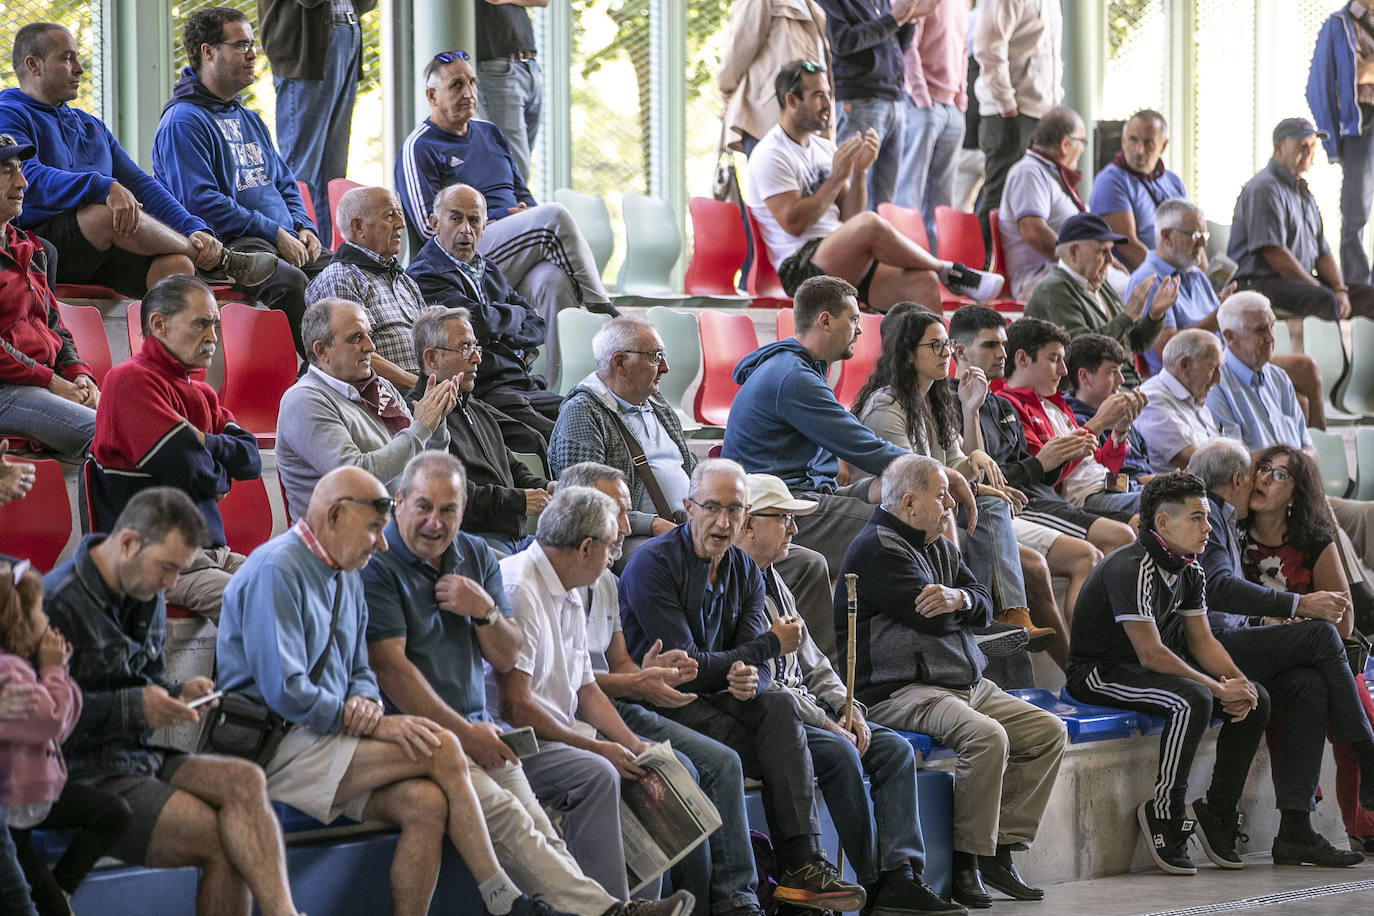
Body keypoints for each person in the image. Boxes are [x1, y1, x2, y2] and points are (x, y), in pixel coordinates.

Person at [219, 466, 592, 916]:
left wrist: (366, 703)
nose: (381, 543)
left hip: (326, 738)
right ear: (335, 515)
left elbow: (361, 669)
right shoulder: (278, 569)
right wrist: (366, 718)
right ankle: (503, 898)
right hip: (273, 745)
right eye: (375, 528)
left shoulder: (345, 569)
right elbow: (285, 691)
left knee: (426, 803)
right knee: (442, 748)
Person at [361, 451, 687, 915]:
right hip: (433, 734)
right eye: (424, 507)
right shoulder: (381, 562)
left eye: (449, 510)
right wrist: (470, 732)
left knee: (553, 822)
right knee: (557, 796)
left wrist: (483, 610)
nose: (435, 522)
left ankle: (622, 906)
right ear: (398, 502)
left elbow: (508, 652)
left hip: (485, 733)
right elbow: (394, 671)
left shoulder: (473, 554)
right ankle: (614, 911)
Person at [619, 459, 869, 912]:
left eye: (734, 510)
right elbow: (686, 666)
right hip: (663, 703)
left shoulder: (744, 570)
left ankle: (803, 866)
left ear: (746, 514)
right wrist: (766, 647)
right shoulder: (651, 564)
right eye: (711, 508)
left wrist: (754, 674)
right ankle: (738, 900)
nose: (723, 521)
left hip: (722, 701)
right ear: (687, 507)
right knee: (750, 754)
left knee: (778, 707)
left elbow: (758, 663)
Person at [43, 487, 305, 916]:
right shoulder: (57, 603)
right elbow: (40, 719)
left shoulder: (146, 589)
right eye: (166, 569)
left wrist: (176, 694)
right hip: (82, 775)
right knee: (225, 843)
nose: (170, 586)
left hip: (137, 755)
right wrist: (138, 707)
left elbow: (144, 682)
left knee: (247, 781)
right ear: (127, 542)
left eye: (178, 572)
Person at [841, 454, 1066, 908]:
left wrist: (958, 597)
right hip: (902, 690)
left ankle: (999, 852)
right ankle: (967, 864)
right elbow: (933, 624)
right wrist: (962, 609)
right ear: (908, 502)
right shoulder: (878, 549)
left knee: (1048, 731)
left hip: (965, 682)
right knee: (987, 738)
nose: (950, 504)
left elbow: (981, 604)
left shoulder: (938, 543)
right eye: (941, 495)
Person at [737, 473, 966, 915]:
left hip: (813, 710)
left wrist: (850, 709)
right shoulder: (739, 585)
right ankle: (875, 884)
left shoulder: (776, 579)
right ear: (749, 524)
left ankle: (902, 874)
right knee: (842, 754)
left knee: (894, 749)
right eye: (784, 518)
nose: (795, 529)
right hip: (780, 720)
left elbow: (815, 662)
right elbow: (771, 685)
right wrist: (828, 722)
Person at [560, 460, 767, 916]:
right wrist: (636, 682)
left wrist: (647, 673)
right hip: (573, 714)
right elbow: (566, 683)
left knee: (724, 762)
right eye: (613, 512)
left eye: (625, 512)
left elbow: (618, 666)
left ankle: (736, 900)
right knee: (682, 772)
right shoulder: (541, 580)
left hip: (615, 705)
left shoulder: (608, 581)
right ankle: (695, 905)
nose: (623, 526)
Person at [487, 484, 694, 911]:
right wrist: (598, 745)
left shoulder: (571, 586)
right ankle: (615, 908)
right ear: (585, 547)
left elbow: (585, 689)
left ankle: (640, 905)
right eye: (612, 548)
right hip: (514, 740)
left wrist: (634, 746)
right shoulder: (520, 587)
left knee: (642, 766)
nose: (613, 558)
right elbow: (516, 705)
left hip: (556, 734)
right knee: (598, 771)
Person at [1065, 471, 1271, 876]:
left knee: (1257, 698)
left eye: (1207, 517)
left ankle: (1217, 810)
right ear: (1163, 523)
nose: (1208, 528)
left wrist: (1236, 682)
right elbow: (1152, 654)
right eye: (1196, 518)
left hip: (1141, 670)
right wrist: (1215, 687)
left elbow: (1202, 642)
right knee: (1191, 699)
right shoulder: (1132, 566)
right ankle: (1165, 813)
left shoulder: (1190, 569)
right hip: (1098, 672)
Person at [1188, 439, 1374, 866]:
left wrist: (1271, 622)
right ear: (1239, 480)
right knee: (1320, 638)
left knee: (1308, 686)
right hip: (1205, 650)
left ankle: (1295, 830)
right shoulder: (1211, 519)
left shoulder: (1234, 522)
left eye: (1277, 473)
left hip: (1234, 641)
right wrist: (1298, 605)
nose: (1262, 479)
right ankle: (1367, 751)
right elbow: (1216, 589)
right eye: (1260, 470)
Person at [0, 23, 275, 296]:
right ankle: (218, 262)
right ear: (33, 65)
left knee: (177, 265)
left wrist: (194, 228)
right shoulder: (8, 114)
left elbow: (141, 185)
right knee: (105, 212)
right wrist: (103, 187)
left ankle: (167, 330)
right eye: (67, 58)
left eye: (77, 58)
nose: (79, 68)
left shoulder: (89, 124)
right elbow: (28, 178)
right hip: (44, 245)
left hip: (106, 248)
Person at [850, 302, 1053, 647]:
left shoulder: (935, 402)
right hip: (890, 511)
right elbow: (911, 479)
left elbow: (961, 469)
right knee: (960, 507)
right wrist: (977, 489)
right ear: (909, 355)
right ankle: (972, 614)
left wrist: (971, 411)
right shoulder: (886, 404)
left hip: (929, 502)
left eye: (946, 344)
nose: (946, 353)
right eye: (935, 346)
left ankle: (1012, 613)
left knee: (990, 507)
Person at [743, 60, 1002, 309]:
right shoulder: (771, 153)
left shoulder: (822, 147)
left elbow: (850, 218)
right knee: (871, 223)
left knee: (922, 284)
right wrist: (835, 178)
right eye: (817, 96)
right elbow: (794, 224)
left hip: (840, 254)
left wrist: (859, 172)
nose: (827, 104)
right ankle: (950, 271)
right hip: (800, 267)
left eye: (828, 95)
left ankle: (929, 348)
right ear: (791, 100)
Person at [154, 5, 333, 358]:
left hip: (281, 237)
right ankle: (325, 377)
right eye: (241, 45)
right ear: (208, 51)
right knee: (290, 283)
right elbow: (201, 202)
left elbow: (285, 183)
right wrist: (275, 233)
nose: (253, 54)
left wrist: (303, 226)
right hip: (233, 246)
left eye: (252, 45)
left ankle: (363, 376)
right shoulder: (183, 122)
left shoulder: (249, 117)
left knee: (346, 275)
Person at [88, 275, 259, 618]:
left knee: (299, 591)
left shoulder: (203, 393)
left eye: (215, 325)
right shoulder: (129, 381)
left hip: (214, 554)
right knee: (257, 605)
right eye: (201, 324)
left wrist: (203, 441)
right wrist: (219, 476)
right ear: (159, 324)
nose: (212, 337)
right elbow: (186, 470)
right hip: (158, 562)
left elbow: (251, 459)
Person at [395, 51, 615, 317]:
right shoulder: (420, 145)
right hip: (463, 253)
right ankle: (602, 309)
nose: (468, 92)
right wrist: (498, 217)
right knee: (554, 215)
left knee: (553, 282)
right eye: (456, 85)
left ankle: (554, 361)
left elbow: (522, 191)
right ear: (432, 96)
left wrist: (527, 214)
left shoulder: (490, 132)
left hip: (510, 245)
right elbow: (428, 227)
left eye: (472, 82)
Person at [1202, 291, 1374, 614]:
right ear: (1228, 336)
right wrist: (1288, 463)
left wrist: (1293, 463)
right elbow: (1237, 463)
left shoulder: (1279, 379)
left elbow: (1309, 446)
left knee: (1369, 515)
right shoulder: (1218, 386)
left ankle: (1359, 597)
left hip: (1296, 490)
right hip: (1264, 499)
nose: (1271, 338)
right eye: (1259, 331)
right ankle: (1357, 599)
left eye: (1272, 327)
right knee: (1321, 511)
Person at [723, 276, 906, 570]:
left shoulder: (800, 369)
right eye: (853, 319)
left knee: (900, 491)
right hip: (781, 505)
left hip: (813, 494)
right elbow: (866, 448)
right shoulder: (793, 377)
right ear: (825, 320)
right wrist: (935, 471)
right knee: (901, 526)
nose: (859, 330)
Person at [0, 557, 130, 915]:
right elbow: (53, 720)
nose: (48, 620)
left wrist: (58, 671)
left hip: (41, 795)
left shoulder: (23, 666)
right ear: (20, 621)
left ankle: (59, 887)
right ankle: (53, 899)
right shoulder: (8, 671)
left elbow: (64, 722)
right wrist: (55, 670)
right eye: (41, 611)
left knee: (113, 812)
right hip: (14, 808)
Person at [406, 184, 564, 449]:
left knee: (588, 415)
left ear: (484, 225)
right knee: (556, 437)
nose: (465, 229)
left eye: (474, 220)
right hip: (485, 389)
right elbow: (480, 324)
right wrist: (510, 317)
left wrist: (499, 324)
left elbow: (536, 324)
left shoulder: (486, 267)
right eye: (455, 218)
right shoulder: (424, 274)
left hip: (522, 382)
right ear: (435, 223)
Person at [276, 298, 456, 522]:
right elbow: (356, 476)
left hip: (407, 530)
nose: (370, 346)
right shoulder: (303, 400)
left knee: (493, 555)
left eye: (369, 334)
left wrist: (436, 426)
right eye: (356, 338)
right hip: (346, 546)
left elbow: (428, 470)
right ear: (322, 351)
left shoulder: (380, 387)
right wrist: (419, 430)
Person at [409, 306, 551, 554]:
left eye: (476, 347)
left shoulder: (476, 407)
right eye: (465, 348)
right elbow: (451, 492)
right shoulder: (417, 415)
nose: (477, 358)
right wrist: (520, 500)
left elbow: (511, 468)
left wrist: (545, 488)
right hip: (472, 541)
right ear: (432, 358)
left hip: (515, 538)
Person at [0, 132, 98, 458]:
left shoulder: (31, 248)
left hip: (39, 384)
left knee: (150, 424)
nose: (22, 182)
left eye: (20, 169)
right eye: (6, 171)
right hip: (6, 391)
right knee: (109, 436)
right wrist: (54, 383)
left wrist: (80, 376)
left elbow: (54, 327)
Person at [992, 317, 1145, 521]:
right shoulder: (1008, 407)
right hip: (1079, 502)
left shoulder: (1057, 404)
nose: (1064, 370)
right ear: (1022, 360)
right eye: (1054, 359)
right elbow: (1046, 477)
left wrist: (1119, 432)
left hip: (1107, 488)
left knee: (1184, 494)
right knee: (1171, 504)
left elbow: (1097, 465)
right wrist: (1097, 424)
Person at [1228, 117, 1374, 320]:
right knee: (1324, 298)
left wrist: (1340, 290)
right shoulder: (1264, 188)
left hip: (1296, 282)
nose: (1309, 152)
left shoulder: (1303, 192)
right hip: (1259, 282)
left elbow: (1323, 253)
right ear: (1278, 147)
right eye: (1302, 145)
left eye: (1313, 145)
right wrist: (1317, 287)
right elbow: (1274, 253)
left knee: (1368, 297)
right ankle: (1333, 353)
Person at [257, 0, 373, 248]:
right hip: (305, 47)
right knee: (302, 171)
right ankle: (302, 254)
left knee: (333, 170)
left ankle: (330, 257)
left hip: (347, 32)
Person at [1023, 212, 1178, 387]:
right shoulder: (1054, 288)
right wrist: (1128, 316)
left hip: (1122, 386)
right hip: (1084, 396)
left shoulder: (1099, 283)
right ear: (1074, 252)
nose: (1111, 260)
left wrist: (1155, 314)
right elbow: (1081, 354)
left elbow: (1134, 343)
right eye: (1102, 251)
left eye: (1110, 251)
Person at [305, 185, 428, 391]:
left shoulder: (405, 281)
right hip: (386, 398)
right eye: (390, 216)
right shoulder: (341, 277)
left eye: (399, 214)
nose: (401, 224)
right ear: (358, 227)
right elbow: (351, 355)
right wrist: (420, 387)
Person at [1000, 107, 1128, 300]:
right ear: (1065, 145)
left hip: (1076, 268)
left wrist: (1104, 259)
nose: (1083, 149)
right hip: (1043, 275)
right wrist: (1081, 261)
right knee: (1132, 293)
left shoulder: (1051, 173)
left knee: (1141, 289)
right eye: (1082, 142)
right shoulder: (1029, 172)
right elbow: (1033, 231)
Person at [813, 0, 922, 208]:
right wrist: (894, 19)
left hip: (894, 101)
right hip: (859, 103)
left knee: (885, 205)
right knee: (849, 198)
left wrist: (909, 18)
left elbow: (896, 45)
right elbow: (841, 41)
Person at [970, 0, 1063, 233]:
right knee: (998, 201)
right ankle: (985, 268)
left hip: (1042, 116)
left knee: (1033, 202)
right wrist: (1008, 107)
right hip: (1010, 114)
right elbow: (988, 49)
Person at [895, 0, 971, 246]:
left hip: (951, 107)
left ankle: (936, 271)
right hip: (922, 106)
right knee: (909, 196)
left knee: (941, 205)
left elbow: (962, 48)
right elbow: (908, 45)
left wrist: (961, 98)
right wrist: (921, 96)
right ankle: (903, 271)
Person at [1309, 4, 1374, 288]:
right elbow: (1320, 86)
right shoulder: (1338, 25)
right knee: (1355, 209)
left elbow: (1364, 70)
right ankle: (1358, 285)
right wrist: (1330, 140)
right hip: (1360, 126)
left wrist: (1366, 67)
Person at [716, 0, 831, 156]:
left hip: (807, 123)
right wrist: (729, 97)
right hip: (769, 119)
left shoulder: (812, 6)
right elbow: (737, 55)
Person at [1087, 110, 1188, 269]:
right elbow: (1127, 246)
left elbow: (1191, 232)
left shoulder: (1173, 181)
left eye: (1148, 142)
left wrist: (1204, 282)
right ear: (1123, 141)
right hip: (1138, 278)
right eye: (1133, 140)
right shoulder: (1110, 181)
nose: (1139, 150)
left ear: (1163, 145)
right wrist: (1175, 280)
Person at [1062, 335, 1153, 487]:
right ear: (1084, 376)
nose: (1121, 380)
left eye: (1120, 370)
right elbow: (1094, 481)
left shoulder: (1123, 413)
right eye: (1112, 372)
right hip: (1119, 492)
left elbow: (1144, 464)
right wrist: (1143, 482)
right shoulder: (1075, 423)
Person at [1133, 329, 1224, 474]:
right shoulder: (1153, 400)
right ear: (1185, 364)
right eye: (1213, 368)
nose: (1218, 379)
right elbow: (1200, 464)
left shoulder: (1196, 397)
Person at [474, 0, 544, 182]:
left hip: (528, 66)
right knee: (515, 165)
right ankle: (518, 209)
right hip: (496, 68)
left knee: (520, 162)